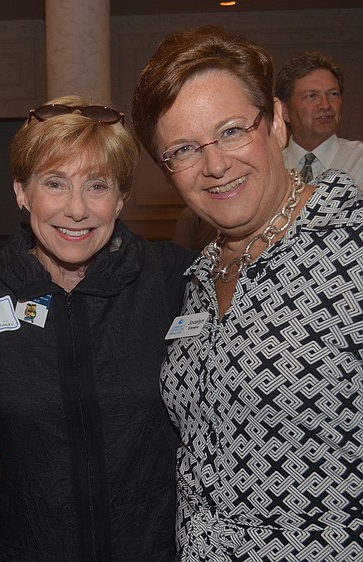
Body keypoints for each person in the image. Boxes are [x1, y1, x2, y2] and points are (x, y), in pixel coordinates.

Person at [133, 25, 363, 560]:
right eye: (183, 149)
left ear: (278, 122)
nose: (214, 164)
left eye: (232, 130)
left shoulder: (350, 244)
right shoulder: (199, 278)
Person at [0, 97, 194, 561]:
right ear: (21, 191)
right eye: (54, 183)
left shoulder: (173, 280)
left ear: (121, 197)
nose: (76, 209)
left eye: (97, 185)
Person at [276, 50, 363, 186]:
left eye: (333, 94)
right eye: (311, 96)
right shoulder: (271, 167)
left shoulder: (359, 160)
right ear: (284, 111)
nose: (325, 105)